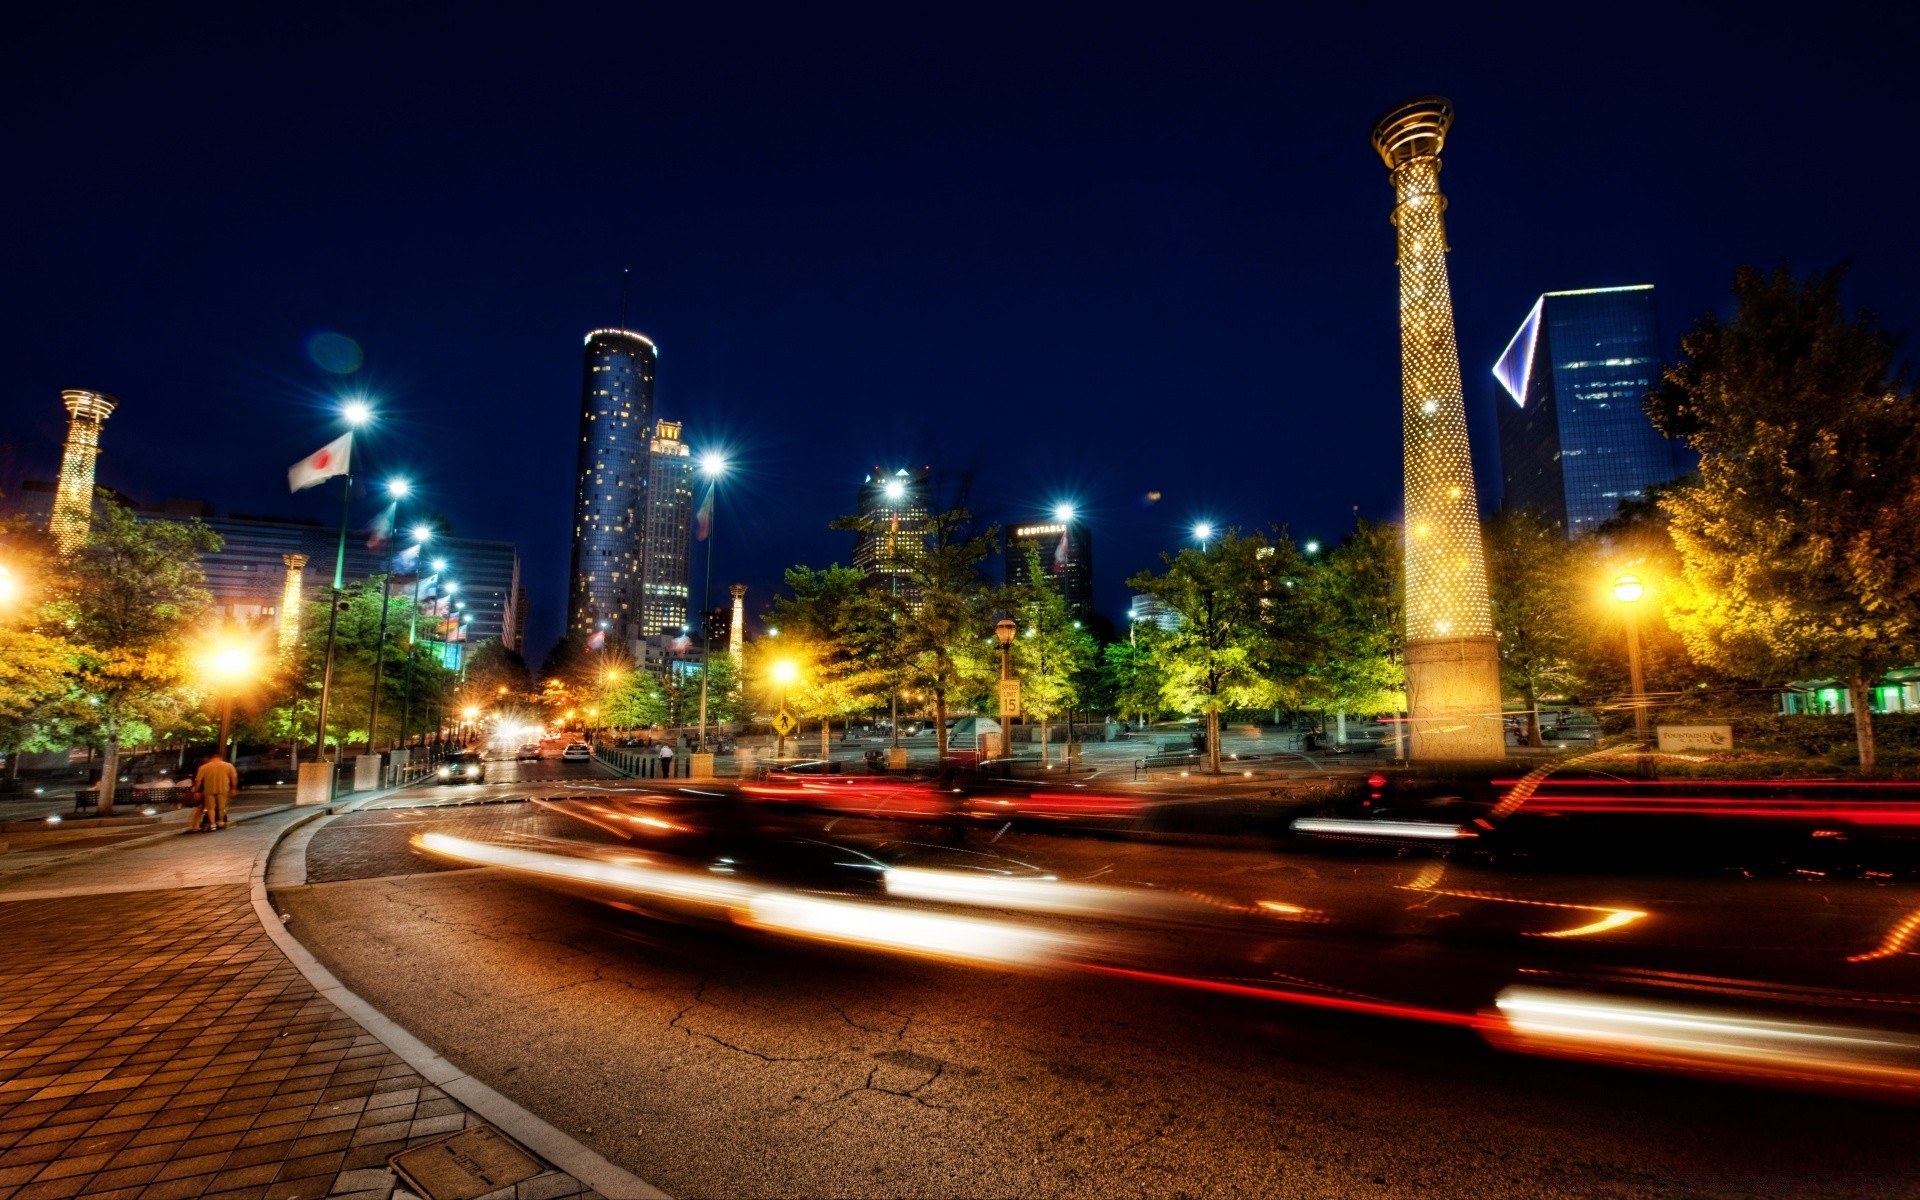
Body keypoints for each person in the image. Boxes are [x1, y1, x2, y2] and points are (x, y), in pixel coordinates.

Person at [191, 751, 238, 832]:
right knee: (221, 807)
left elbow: (198, 780)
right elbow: (234, 777)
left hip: (209, 789)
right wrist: (234, 788)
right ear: (220, 758)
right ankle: (220, 821)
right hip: (223, 788)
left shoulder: (203, 767)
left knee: (210, 808)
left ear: (211, 758)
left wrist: (196, 790)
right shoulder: (228, 765)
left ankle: (213, 824)